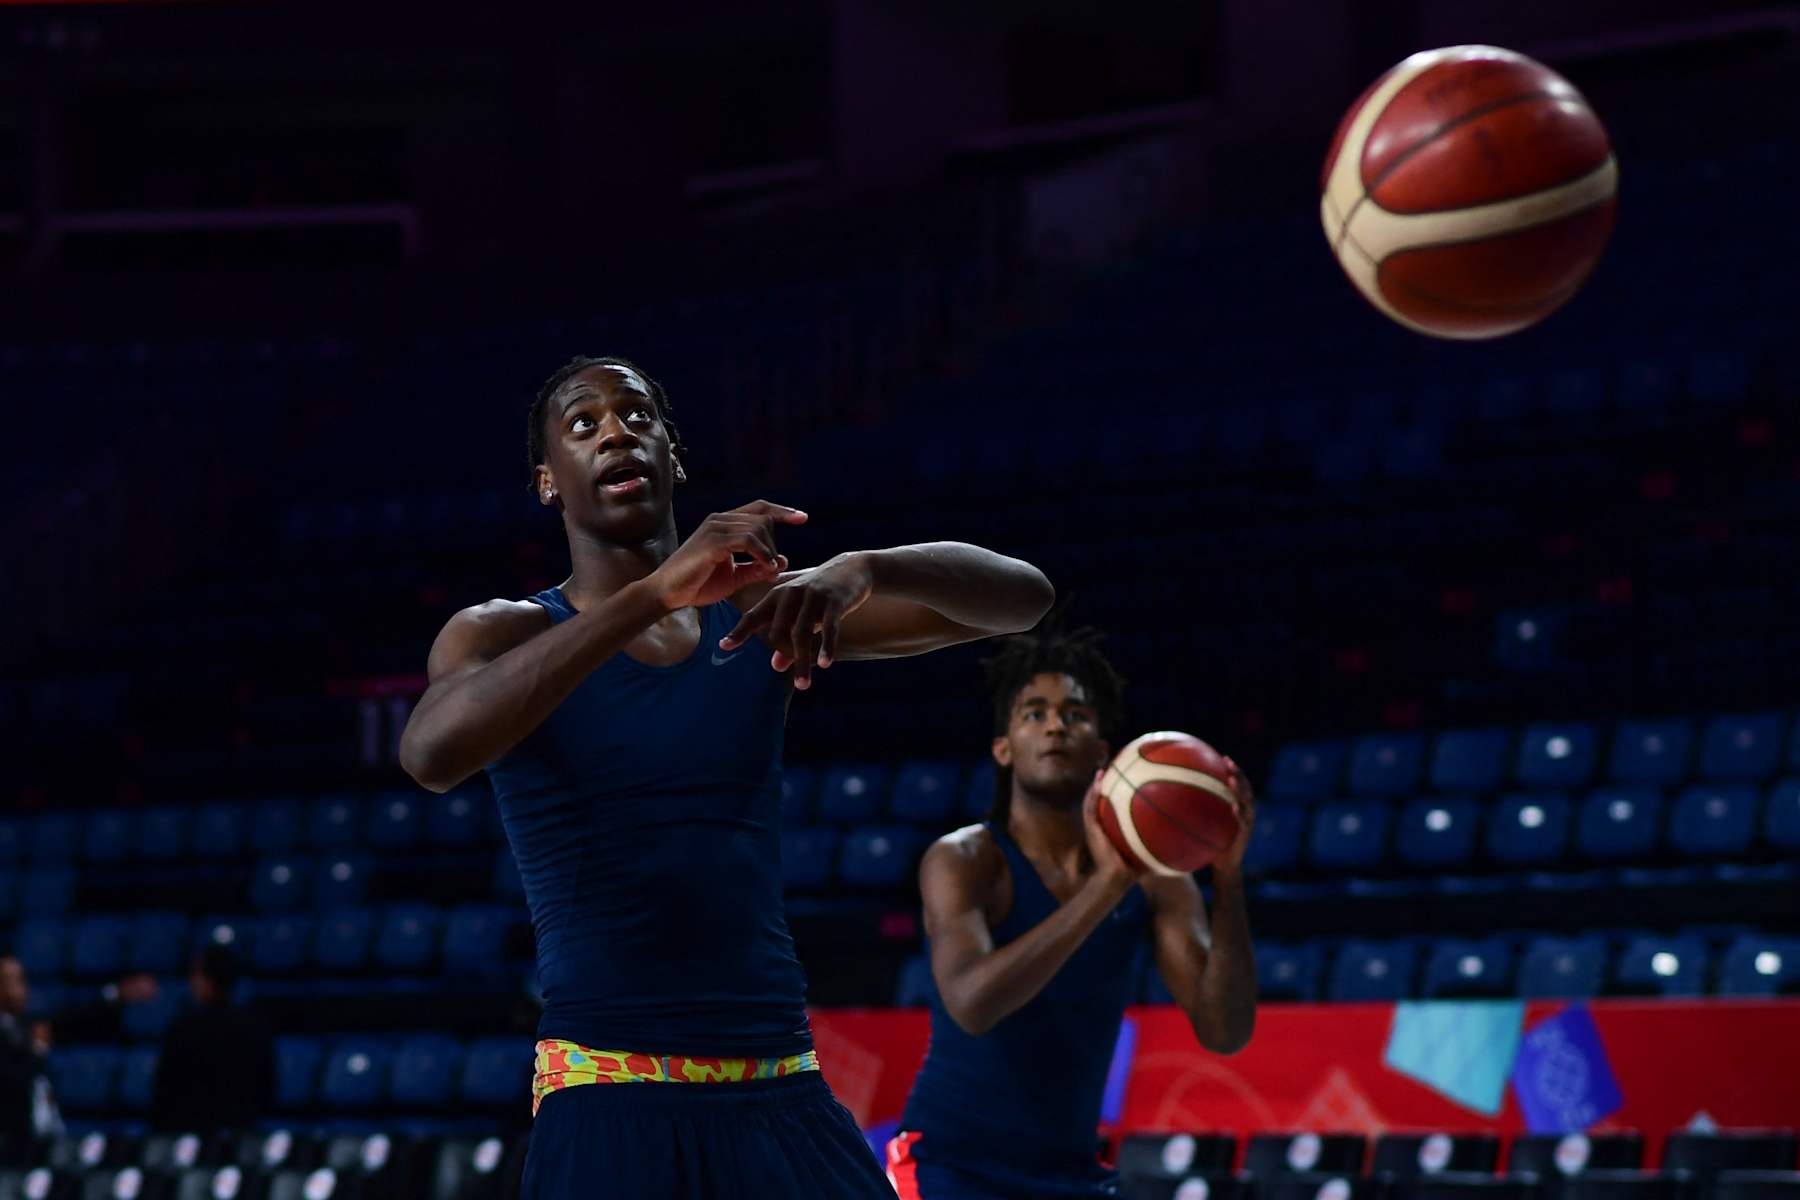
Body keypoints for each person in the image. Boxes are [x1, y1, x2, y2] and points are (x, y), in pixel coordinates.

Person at [398, 355, 1055, 1199]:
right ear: (547, 484)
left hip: (780, 1081)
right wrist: (652, 596)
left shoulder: (761, 616)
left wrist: (868, 567)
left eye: (635, 416)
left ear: (674, 456)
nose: (614, 433)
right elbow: (430, 756)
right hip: (609, 1091)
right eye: (582, 425)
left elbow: (1023, 599)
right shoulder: (500, 632)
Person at [887, 624, 1259, 1199]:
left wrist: (1227, 876)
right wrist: (1107, 886)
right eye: (1034, 713)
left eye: (1075, 715)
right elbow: (973, 1004)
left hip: (1072, 1173)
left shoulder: (1160, 881)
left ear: (1106, 755)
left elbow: (1225, 1031)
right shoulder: (965, 859)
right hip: (950, 1166)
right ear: (1003, 748)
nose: (1056, 724)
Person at [150, 945, 275, 1133]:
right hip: (240, 1130)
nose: (192, 982)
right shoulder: (255, 1026)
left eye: (196, 975)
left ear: (207, 980)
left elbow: (165, 1091)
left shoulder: (184, 1029)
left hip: (194, 1131)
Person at [0, 954, 59, 1166]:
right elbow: (13, 1079)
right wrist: (38, 1050)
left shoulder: (27, 1023)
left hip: (39, 1128)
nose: (20, 988)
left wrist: (113, 996)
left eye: (21, 979)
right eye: (10, 980)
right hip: (10, 1139)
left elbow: (69, 1016)